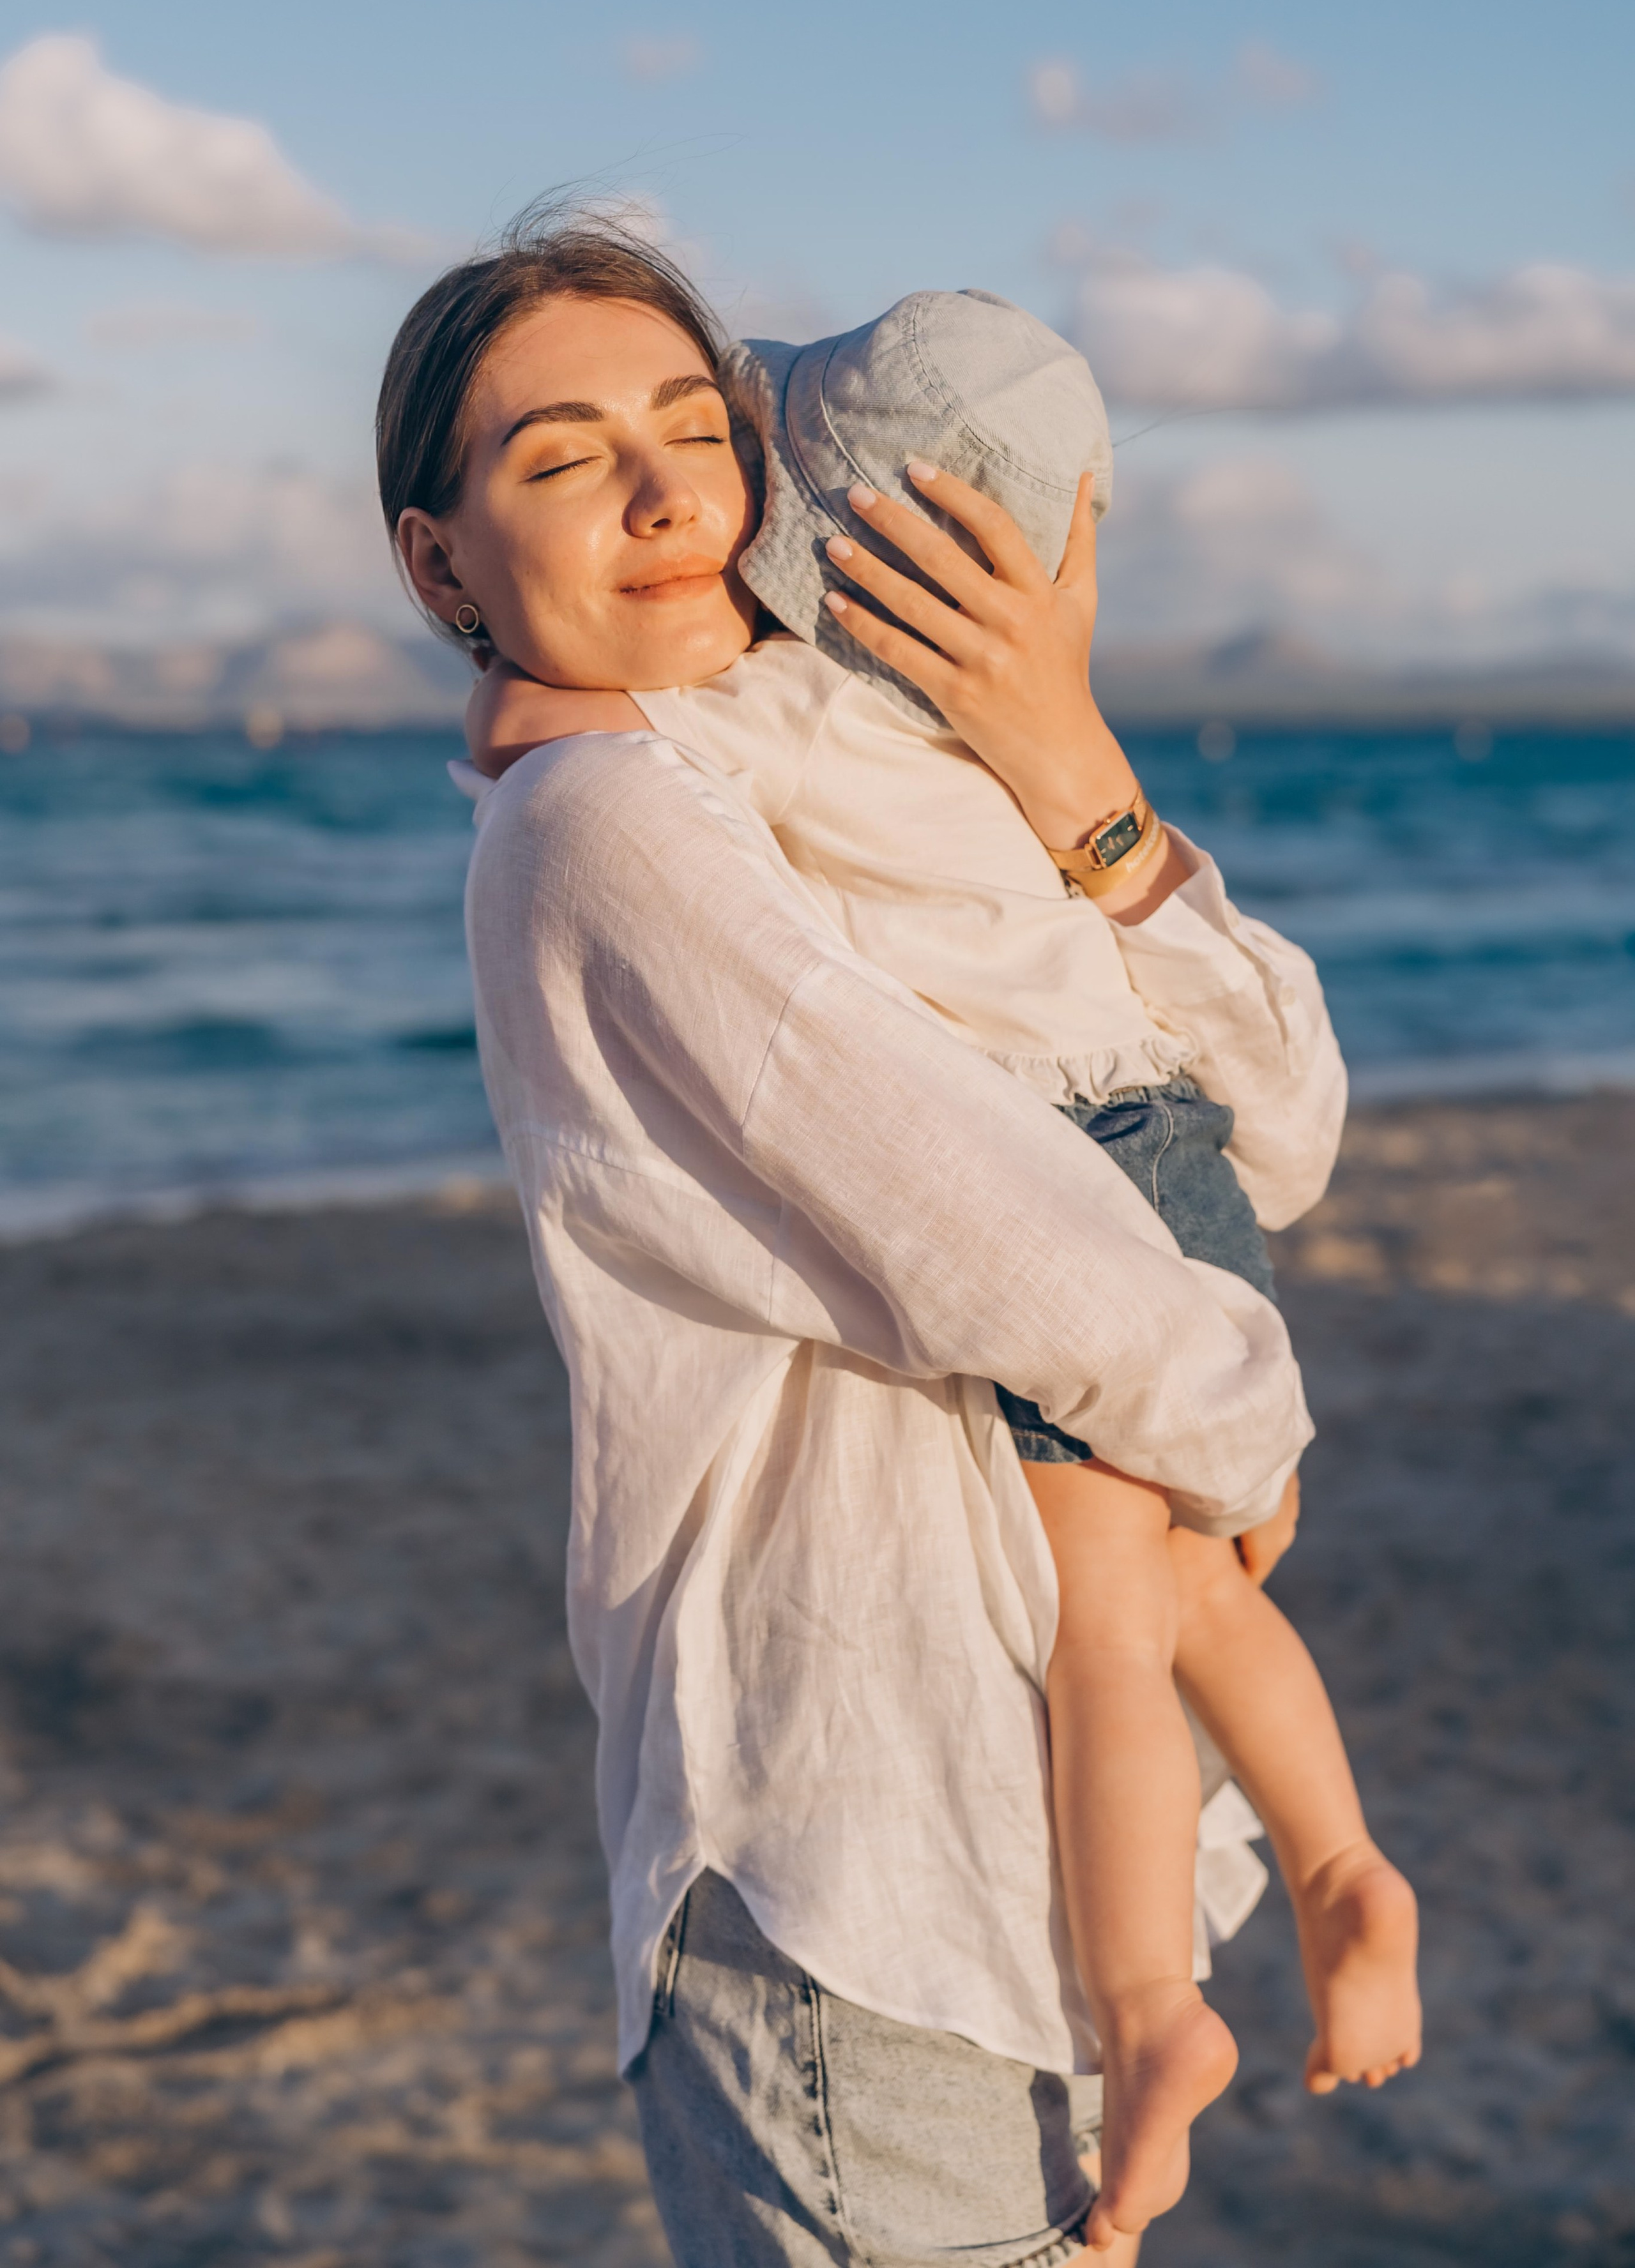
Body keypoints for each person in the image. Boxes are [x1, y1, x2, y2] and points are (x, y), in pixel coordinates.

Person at [379, 215, 1409, 2264]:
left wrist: (1072, 773)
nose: (668, 491)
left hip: (982, 1860)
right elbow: (997, 1223)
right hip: (851, 1865)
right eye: (566, 458)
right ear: (439, 564)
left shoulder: (820, 752)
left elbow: (1273, 1126)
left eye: (696, 426)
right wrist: (1241, 1424)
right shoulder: (605, 821)